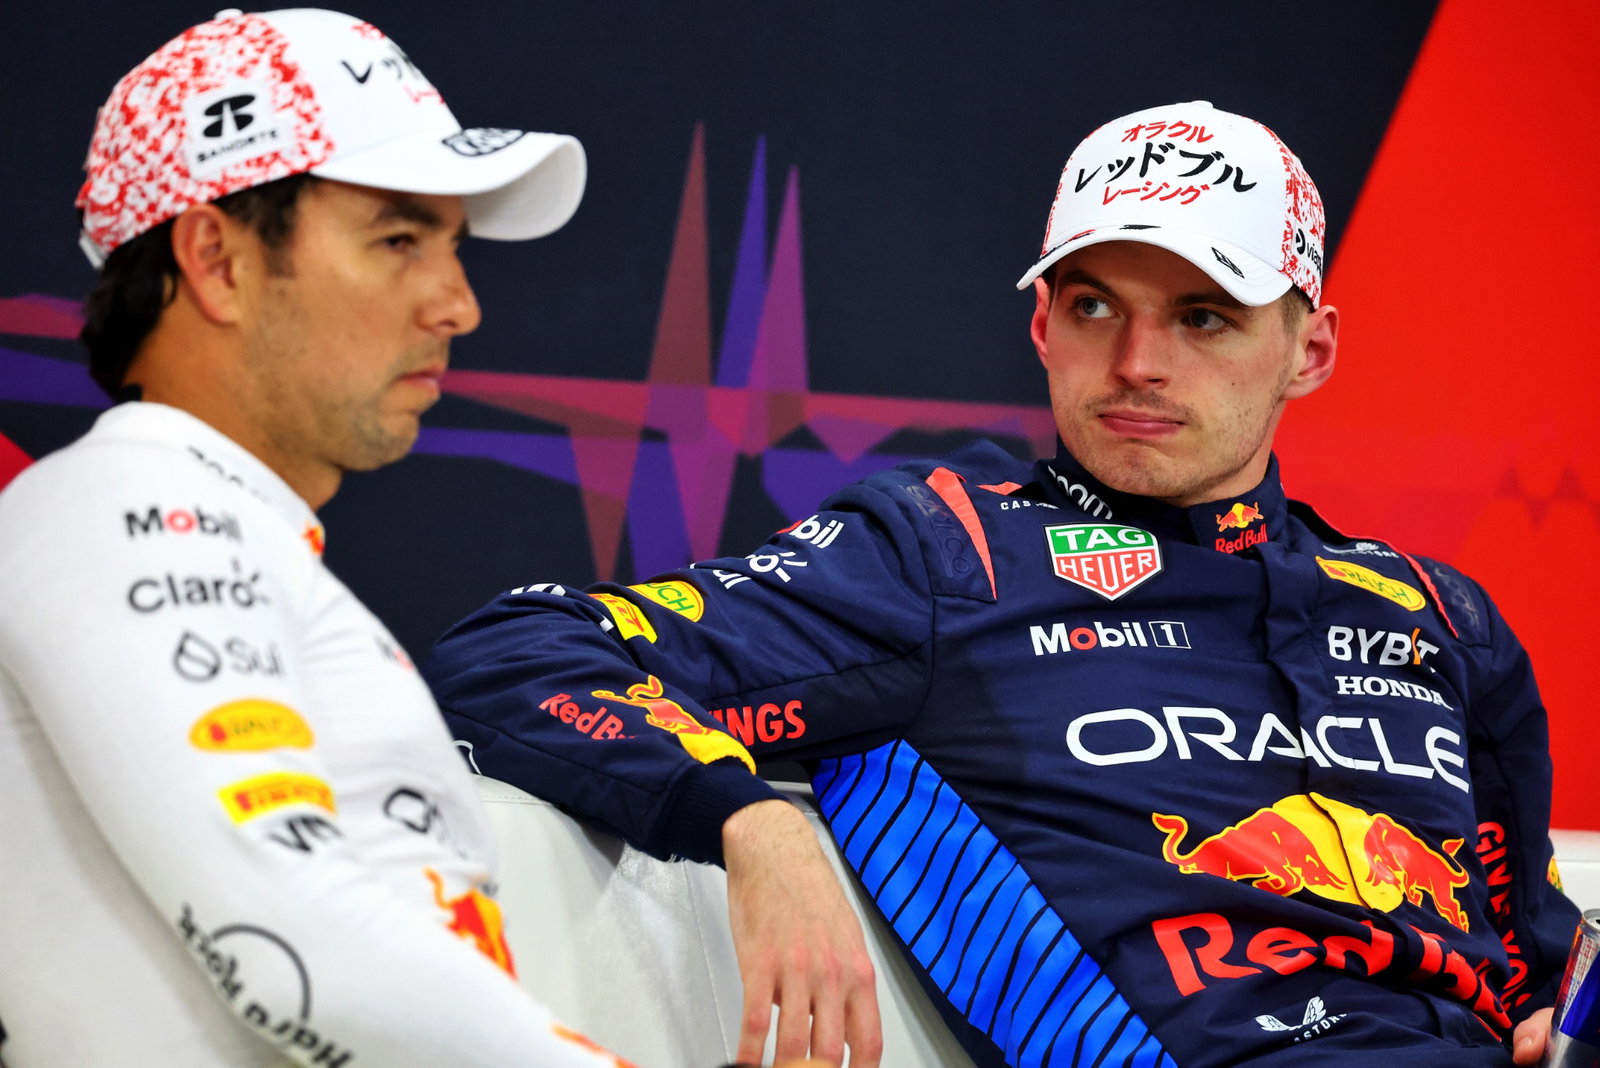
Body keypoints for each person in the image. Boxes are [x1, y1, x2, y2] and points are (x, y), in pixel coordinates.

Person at [422, 101, 1581, 1068]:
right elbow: (517, 653)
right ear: (1040, 324)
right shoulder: (945, 554)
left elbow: (1538, 959)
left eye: (1203, 318)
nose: (1136, 364)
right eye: (1094, 308)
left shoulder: (1441, 618)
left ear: (1309, 351)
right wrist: (747, 819)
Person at [0, 8, 634, 1066]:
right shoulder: (121, 511)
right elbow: (292, 940)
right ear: (218, 258)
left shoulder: (208, 534)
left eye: (454, 246)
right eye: (397, 239)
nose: (459, 305)